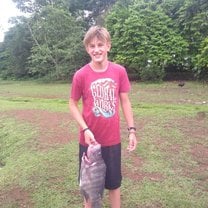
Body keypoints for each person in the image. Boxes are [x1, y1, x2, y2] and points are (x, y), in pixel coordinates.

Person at [69, 25, 138, 208]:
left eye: (100, 44)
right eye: (92, 46)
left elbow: (125, 102)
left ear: (108, 46)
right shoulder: (81, 75)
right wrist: (85, 129)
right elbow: (72, 104)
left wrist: (132, 130)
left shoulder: (119, 71)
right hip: (88, 143)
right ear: (87, 49)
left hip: (112, 141)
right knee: (89, 187)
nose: (96, 49)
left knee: (114, 185)